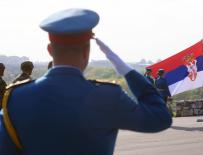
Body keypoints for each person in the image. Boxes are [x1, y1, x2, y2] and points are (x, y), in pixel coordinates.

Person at [0, 8, 172, 155]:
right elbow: (160, 118)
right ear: (86, 52)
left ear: (50, 50)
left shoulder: (16, 97)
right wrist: (125, 69)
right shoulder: (107, 96)